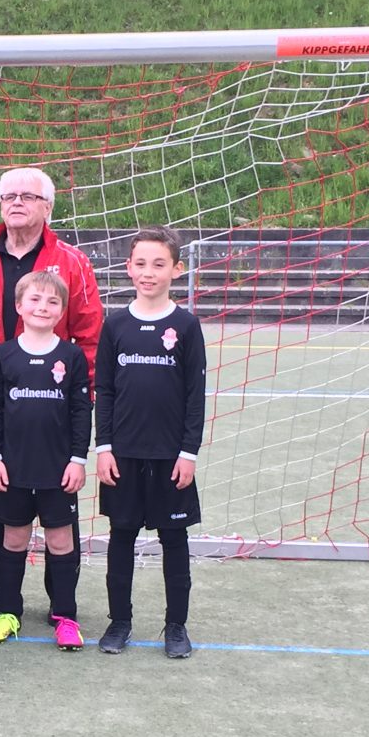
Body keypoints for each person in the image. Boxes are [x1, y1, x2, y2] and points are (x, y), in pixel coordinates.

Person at [0, 167, 103, 620]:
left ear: (47, 207)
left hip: (52, 412)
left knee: (58, 507)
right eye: (8, 196)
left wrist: (81, 396)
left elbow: (90, 335)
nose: (16, 202)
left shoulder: (71, 261)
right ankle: (2, 590)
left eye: (28, 196)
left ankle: (61, 600)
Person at [94, 226, 206, 659]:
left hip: (170, 458)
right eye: (140, 263)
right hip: (122, 456)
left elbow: (195, 396)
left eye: (159, 264)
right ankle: (119, 621)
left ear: (176, 270)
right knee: (120, 539)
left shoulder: (186, 326)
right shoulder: (115, 325)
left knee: (174, 541)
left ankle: (176, 626)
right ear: (128, 267)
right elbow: (104, 390)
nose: (148, 272)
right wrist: (104, 448)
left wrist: (188, 453)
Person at [0, 271, 92, 650]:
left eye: (52, 301)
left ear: (62, 310)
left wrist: (77, 459)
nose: (43, 307)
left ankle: (65, 616)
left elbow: (81, 411)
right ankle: (9, 613)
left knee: (60, 541)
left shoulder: (71, 356)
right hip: (12, 467)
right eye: (35, 299)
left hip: (58, 470)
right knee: (13, 539)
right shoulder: (4, 354)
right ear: (19, 306)